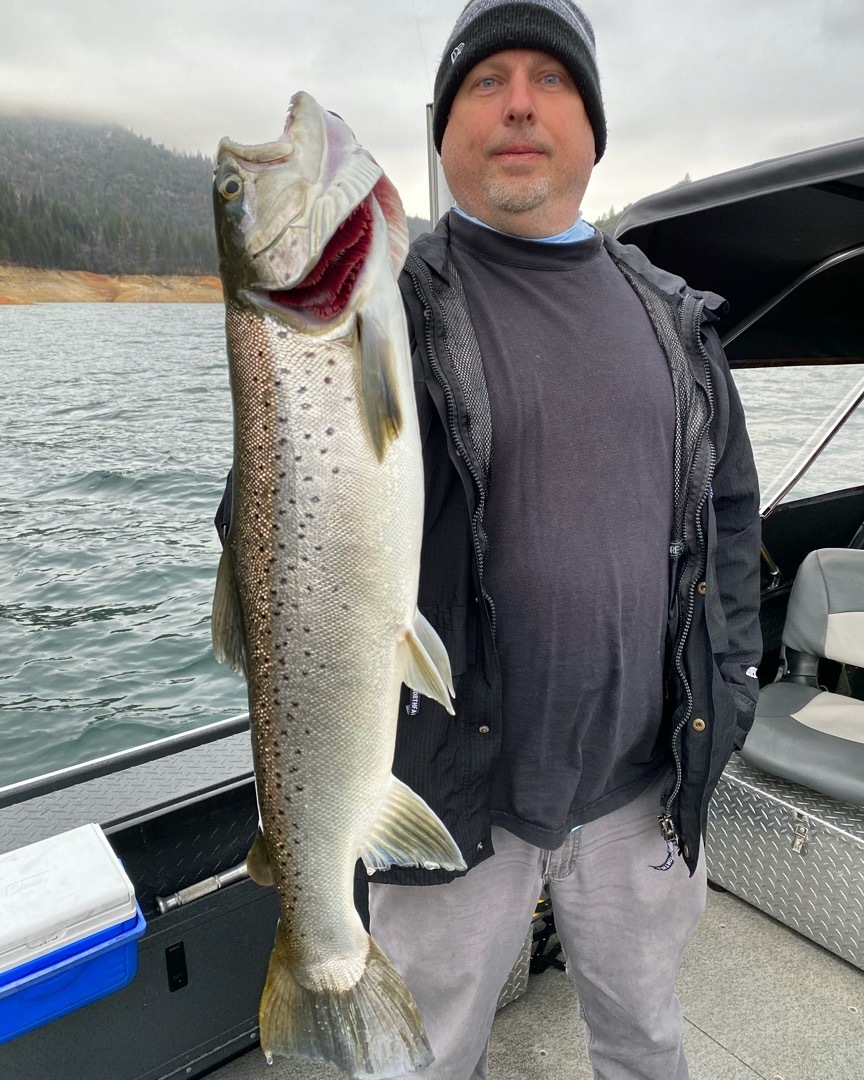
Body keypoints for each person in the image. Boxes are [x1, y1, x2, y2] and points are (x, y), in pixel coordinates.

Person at [215, 1, 762, 1075]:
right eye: (485, 81)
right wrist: (296, 358)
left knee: (648, 1039)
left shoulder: (673, 316)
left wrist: (731, 683)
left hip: (640, 791)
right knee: (430, 1057)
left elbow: (730, 517)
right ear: (443, 126)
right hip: (452, 799)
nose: (518, 103)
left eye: (550, 79)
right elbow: (270, 530)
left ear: (593, 125)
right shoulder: (388, 305)